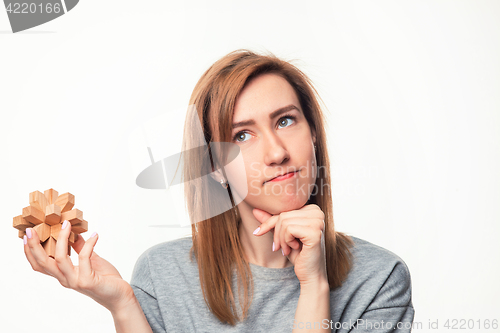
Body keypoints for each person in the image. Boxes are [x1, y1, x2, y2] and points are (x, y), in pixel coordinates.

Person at [23, 49, 415, 332]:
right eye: (242, 135)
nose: (277, 153)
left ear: (313, 133)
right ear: (215, 168)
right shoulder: (163, 276)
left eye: (285, 121)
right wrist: (122, 305)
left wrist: (315, 285)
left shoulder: (379, 279)